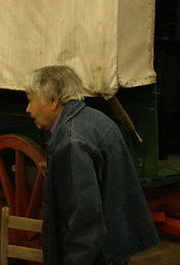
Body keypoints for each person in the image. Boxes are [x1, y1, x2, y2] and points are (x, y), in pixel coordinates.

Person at [25, 65, 159, 265]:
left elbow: (84, 222)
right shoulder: (96, 120)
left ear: (53, 101)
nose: (28, 109)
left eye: (30, 100)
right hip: (115, 246)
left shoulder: (71, 142)